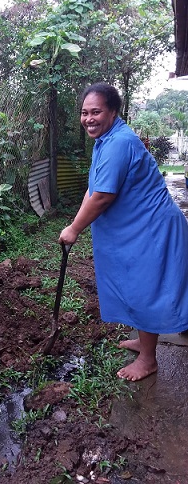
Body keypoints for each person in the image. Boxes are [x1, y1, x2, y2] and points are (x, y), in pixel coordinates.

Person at [59, 82, 188, 382]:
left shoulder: (118, 143)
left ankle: (148, 358)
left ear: (113, 111)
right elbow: (94, 188)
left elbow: (103, 196)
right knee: (134, 285)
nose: (89, 119)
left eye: (96, 112)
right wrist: (75, 221)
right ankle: (144, 340)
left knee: (144, 289)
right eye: (84, 113)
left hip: (151, 230)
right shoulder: (107, 139)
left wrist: (75, 229)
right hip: (137, 229)